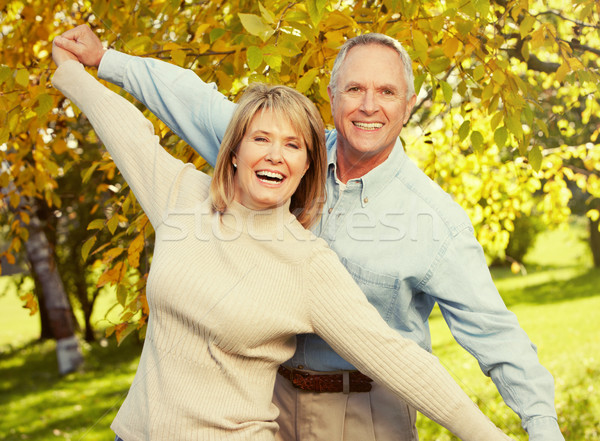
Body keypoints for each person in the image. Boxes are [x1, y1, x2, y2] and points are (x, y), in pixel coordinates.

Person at [53, 26, 563, 441]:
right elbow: (189, 102)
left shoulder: (430, 221)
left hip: (365, 411)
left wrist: (537, 430)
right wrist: (104, 61)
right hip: (268, 397)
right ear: (333, 96)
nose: (369, 105)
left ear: (407, 106)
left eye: (387, 92)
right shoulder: (271, 146)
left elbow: (465, 340)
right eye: (355, 89)